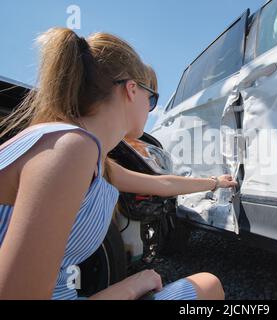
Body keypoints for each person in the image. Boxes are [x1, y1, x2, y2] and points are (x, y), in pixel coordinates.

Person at [0, 27, 237, 300]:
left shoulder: (83, 151)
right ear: (132, 89)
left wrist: (215, 182)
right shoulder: (71, 149)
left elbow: (163, 184)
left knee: (206, 285)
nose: (151, 109)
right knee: (208, 287)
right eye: (152, 99)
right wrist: (130, 286)